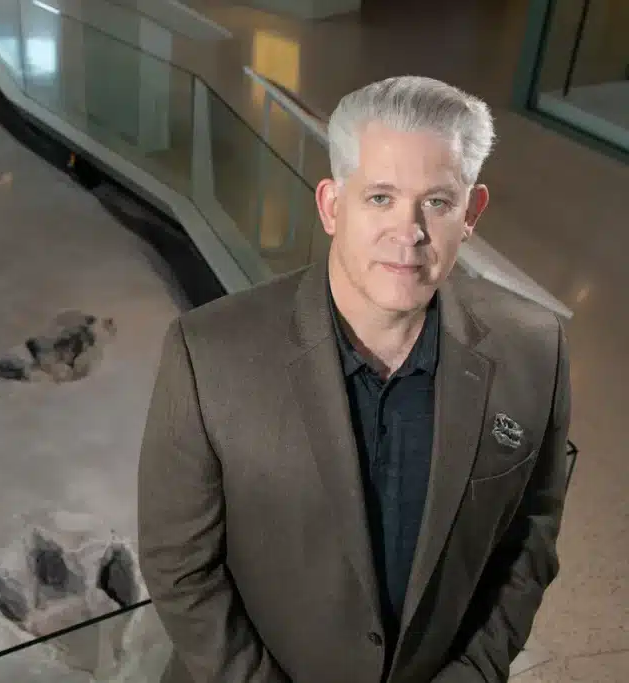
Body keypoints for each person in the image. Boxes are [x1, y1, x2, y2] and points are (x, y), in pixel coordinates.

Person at [137, 76, 572, 683]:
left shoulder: (536, 349)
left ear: (471, 214)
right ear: (331, 206)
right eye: (380, 198)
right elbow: (179, 568)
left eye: (438, 202)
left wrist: (474, 672)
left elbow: (530, 537)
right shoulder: (207, 354)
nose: (410, 231)